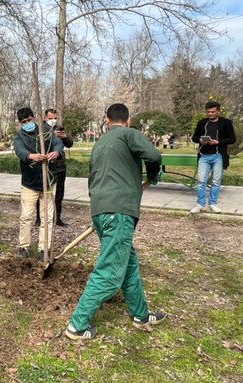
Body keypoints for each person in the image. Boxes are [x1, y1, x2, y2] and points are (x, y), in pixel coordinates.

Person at [65, 103, 165, 340]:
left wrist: (100, 210)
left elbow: (92, 179)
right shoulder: (129, 134)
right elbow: (154, 155)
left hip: (101, 210)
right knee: (110, 271)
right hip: (118, 212)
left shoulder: (100, 143)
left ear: (106, 121)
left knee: (128, 262)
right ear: (127, 121)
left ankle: (140, 315)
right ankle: (77, 325)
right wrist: (153, 173)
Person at [13, 107, 64, 261]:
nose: (27, 124)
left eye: (29, 120)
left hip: (48, 183)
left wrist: (56, 153)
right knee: (27, 216)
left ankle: (44, 248)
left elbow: (58, 145)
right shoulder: (19, 136)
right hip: (29, 184)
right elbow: (19, 151)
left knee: (46, 217)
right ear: (20, 123)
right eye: (24, 122)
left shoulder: (46, 131)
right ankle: (23, 246)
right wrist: (30, 156)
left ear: (34, 118)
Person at [190, 101, 236, 214]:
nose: (210, 114)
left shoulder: (226, 123)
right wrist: (200, 140)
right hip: (203, 156)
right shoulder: (202, 123)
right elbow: (194, 137)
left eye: (213, 112)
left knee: (216, 181)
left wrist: (218, 142)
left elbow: (232, 139)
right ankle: (200, 204)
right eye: (208, 112)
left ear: (218, 111)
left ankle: (212, 204)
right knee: (201, 181)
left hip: (218, 156)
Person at [35, 109, 73, 227]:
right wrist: (51, 136)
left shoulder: (59, 128)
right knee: (42, 192)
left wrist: (64, 136)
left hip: (60, 166)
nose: (53, 120)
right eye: (50, 118)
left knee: (59, 193)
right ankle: (39, 218)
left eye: (55, 118)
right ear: (45, 118)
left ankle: (57, 217)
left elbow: (70, 143)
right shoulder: (41, 130)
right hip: (46, 166)